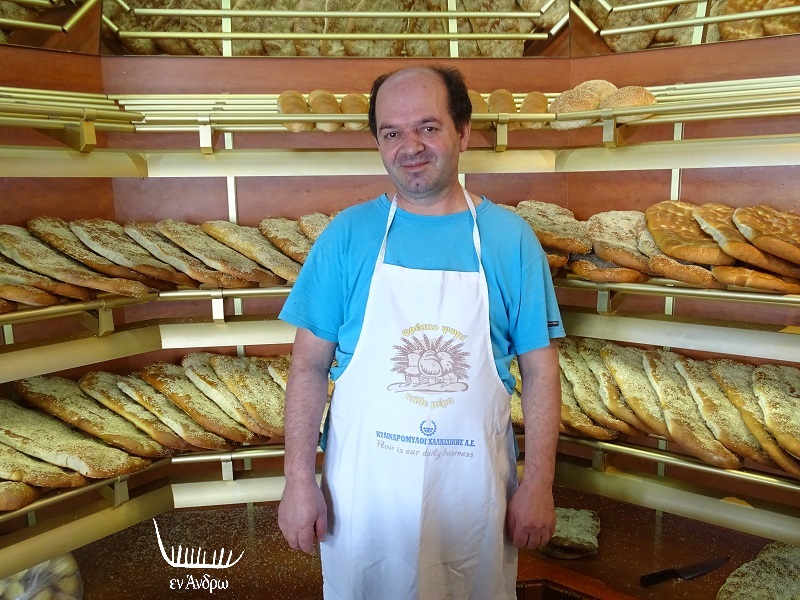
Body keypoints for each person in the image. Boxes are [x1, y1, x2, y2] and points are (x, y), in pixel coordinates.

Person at [277, 65, 564, 600]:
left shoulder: (510, 240)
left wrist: (538, 484)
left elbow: (542, 373)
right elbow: (308, 367)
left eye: (428, 128)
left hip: (474, 503)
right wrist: (297, 481)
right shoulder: (347, 236)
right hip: (363, 504)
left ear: (463, 131)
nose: (410, 147)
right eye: (392, 133)